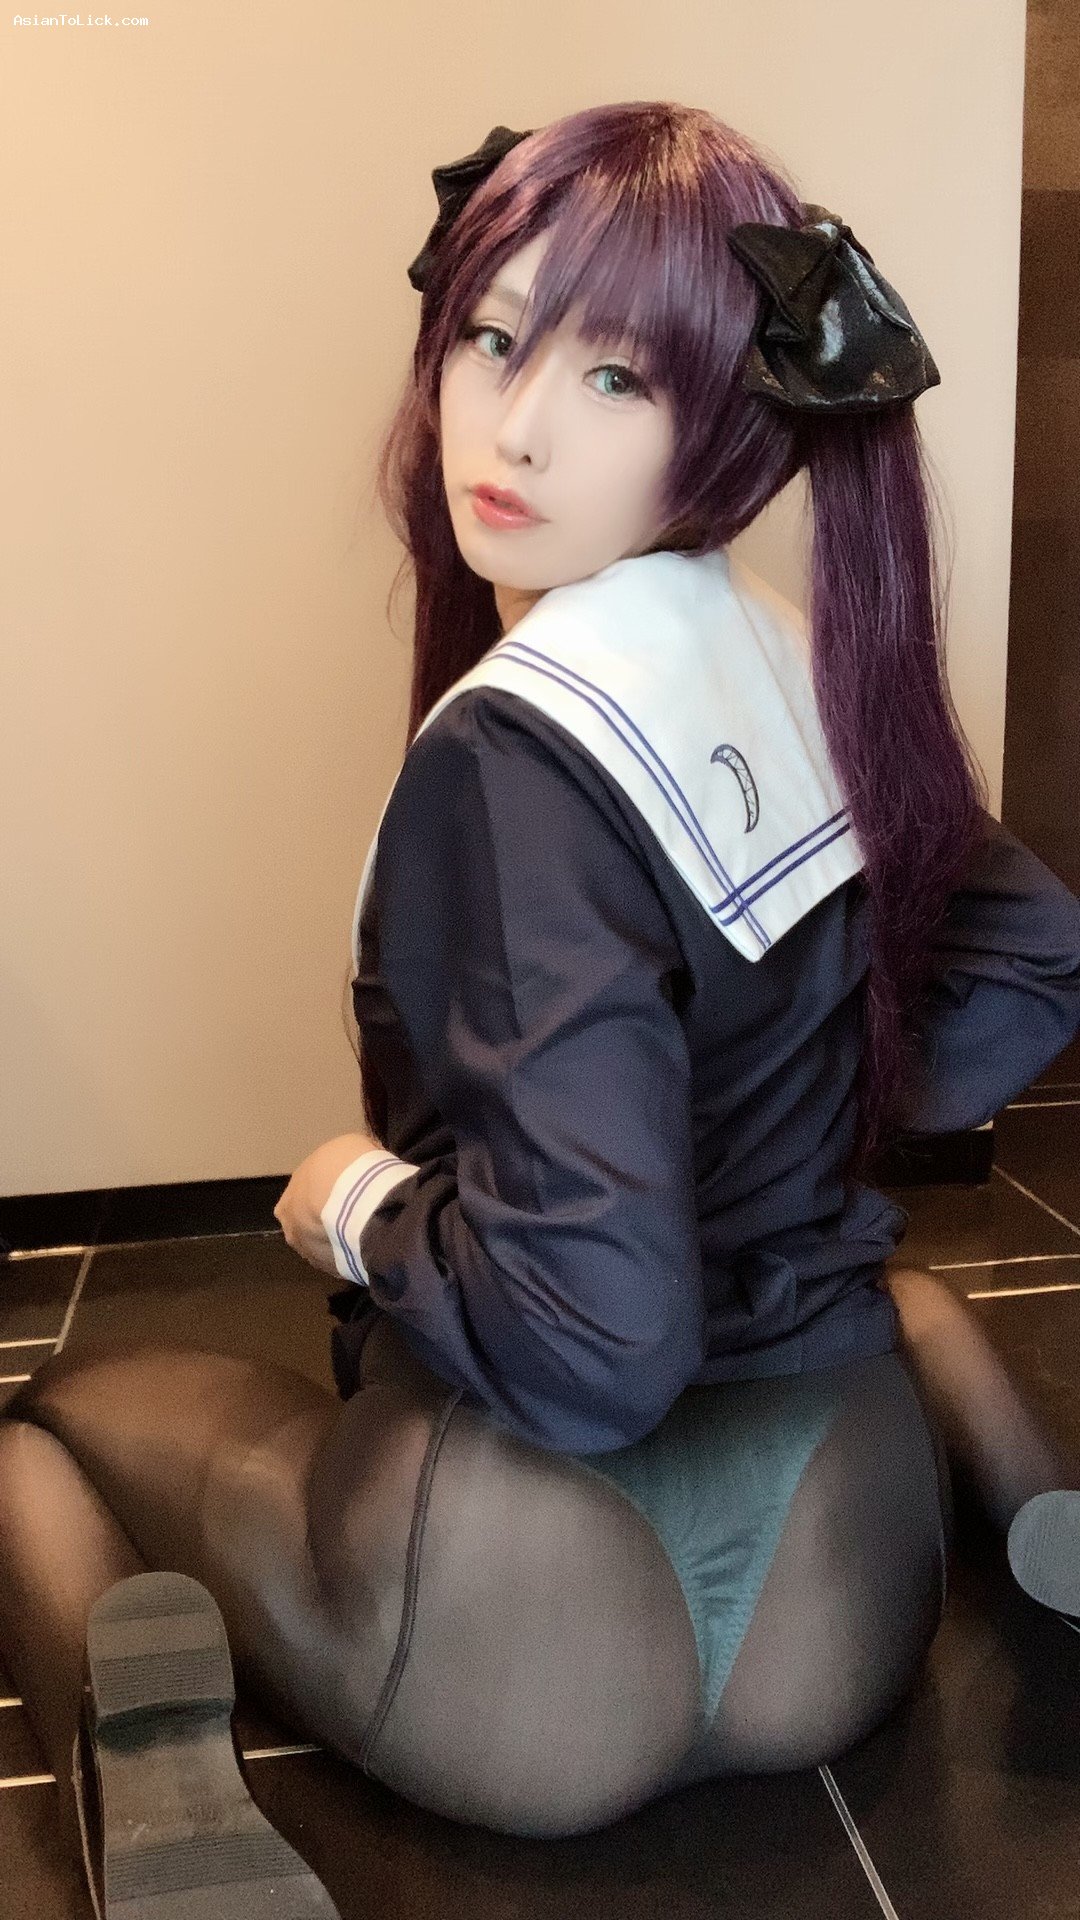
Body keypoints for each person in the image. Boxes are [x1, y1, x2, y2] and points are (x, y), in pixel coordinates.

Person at [3, 100, 1080, 1917]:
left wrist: (359, 1204)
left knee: (59, 1415)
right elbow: (1038, 955)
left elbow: (601, 1346)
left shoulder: (521, 761)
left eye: (616, 377)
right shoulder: (801, 656)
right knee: (895, 1290)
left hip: (526, 1653)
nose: (513, 427)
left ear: (726, 414)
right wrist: (798, 1123)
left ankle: (155, 1784)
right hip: (844, 1589)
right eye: (494, 338)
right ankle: (1031, 1490)